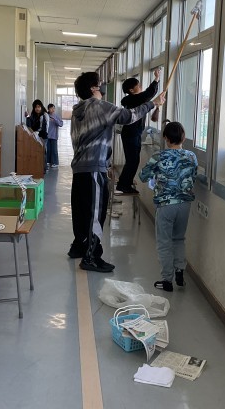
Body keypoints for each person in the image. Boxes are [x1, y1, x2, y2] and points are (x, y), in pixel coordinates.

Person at [68, 72, 166, 272]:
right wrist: (152, 103)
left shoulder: (77, 112)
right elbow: (128, 116)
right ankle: (91, 257)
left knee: (81, 211)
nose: (102, 89)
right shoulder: (99, 106)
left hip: (79, 168)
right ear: (93, 89)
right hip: (94, 169)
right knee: (96, 214)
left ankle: (79, 245)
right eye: (100, 85)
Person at [139, 121, 197, 292]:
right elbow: (193, 176)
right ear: (183, 138)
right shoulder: (191, 156)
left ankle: (167, 280)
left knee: (164, 242)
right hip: (185, 204)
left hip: (166, 205)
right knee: (179, 239)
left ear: (165, 138)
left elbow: (143, 176)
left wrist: (156, 175)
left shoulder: (159, 156)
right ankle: (180, 272)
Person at [116, 68, 161, 194]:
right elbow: (148, 94)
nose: (141, 86)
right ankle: (123, 185)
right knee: (132, 161)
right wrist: (156, 78)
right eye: (138, 85)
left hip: (132, 133)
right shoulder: (134, 99)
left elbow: (147, 95)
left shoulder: (133, 100)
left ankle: (125, 182)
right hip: (131, 134)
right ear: (131, 90)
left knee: (133, 160)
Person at [46, 103, 63, 168]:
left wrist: (55, 120)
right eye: (51, 108)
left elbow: (61, 124)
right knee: (48, 149)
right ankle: (48, 161)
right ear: (48, 109)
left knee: (54, 150)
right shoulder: (46, 116)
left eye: (53, 108)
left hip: (54, 135)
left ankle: (55, 163)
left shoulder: (56, 116)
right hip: (47, 135)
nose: (52, 109)